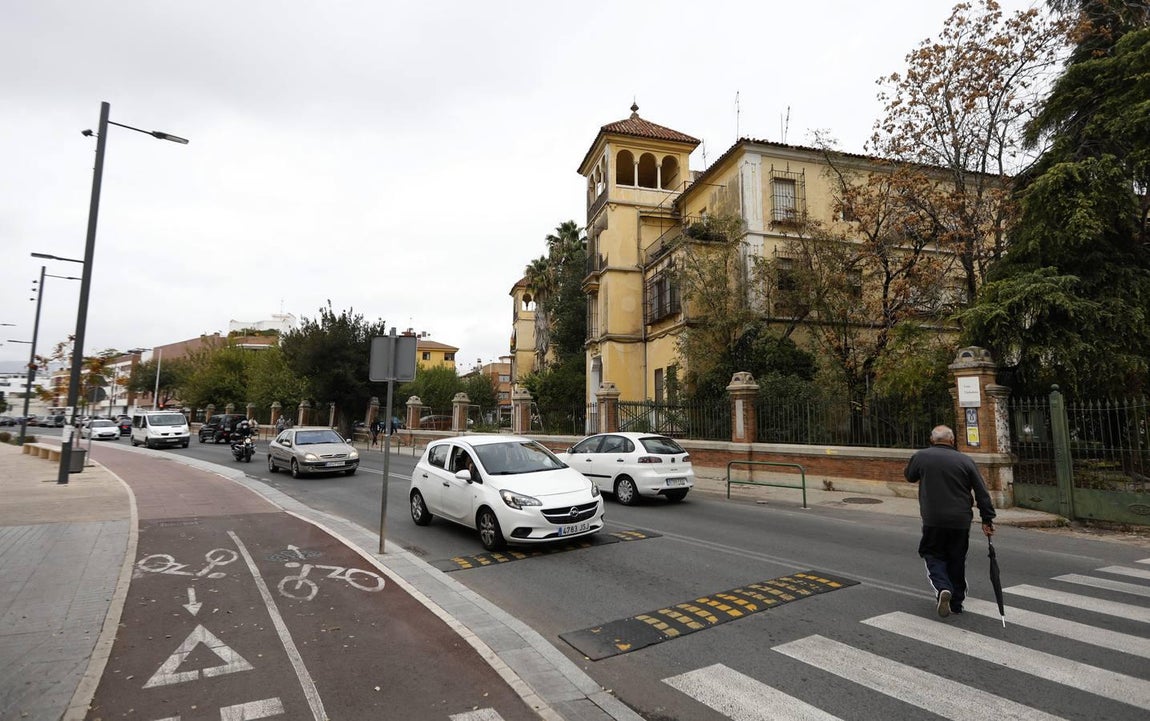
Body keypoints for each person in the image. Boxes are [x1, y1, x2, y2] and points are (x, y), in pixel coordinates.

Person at [905, 425, 996, 618]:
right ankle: (956, 603)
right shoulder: (966, 460)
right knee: (957, 558)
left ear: (932, 439)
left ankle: (942, 587)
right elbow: (981, 491)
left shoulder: (921, 456)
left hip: (933, 518)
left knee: (932, 553)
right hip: (960, 519)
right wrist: (987, 518)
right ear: (952, 440)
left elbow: (910, 476)